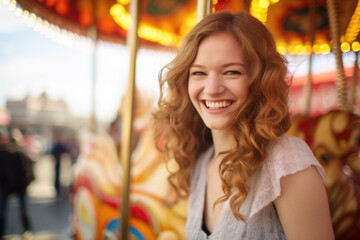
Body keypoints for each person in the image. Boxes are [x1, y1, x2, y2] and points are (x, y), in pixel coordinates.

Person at [152, 11, 335, 239]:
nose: (212, 88)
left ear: (260, 80)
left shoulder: (286, 163)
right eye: (199, 72)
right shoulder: (200, 165)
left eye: (231, 72)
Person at [0, 128, 34, 239]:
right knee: (23, 209)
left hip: (6, 187)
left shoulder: (3, 152)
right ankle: (27, 230)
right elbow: (29, 172)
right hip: (20, 187)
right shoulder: (22, 152)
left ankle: (1, 231)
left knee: (3, 210)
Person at [50, 132, 68, 198]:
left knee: (59, 177)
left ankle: (59, 190)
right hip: (58, 163)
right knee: (58, 177)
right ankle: (58, 190)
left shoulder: (58, 145)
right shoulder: (58, 145)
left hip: (59, 163)